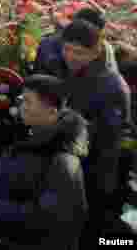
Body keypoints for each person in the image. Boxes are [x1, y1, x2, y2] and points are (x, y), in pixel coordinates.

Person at [0, 75, 88, 250]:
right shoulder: (31, 138)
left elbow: (42, 218)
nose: (21, 107)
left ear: (52, 111)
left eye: (28, 102)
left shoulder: (63, 160)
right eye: (21, 100)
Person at [59, 20, 132, 242]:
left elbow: (106, 140)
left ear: (96, 51)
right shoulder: (81, 73)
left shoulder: (109, 85)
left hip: (93, 176)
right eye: (67, 49)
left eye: (79, 52)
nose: (70, 56)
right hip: (76, 169)